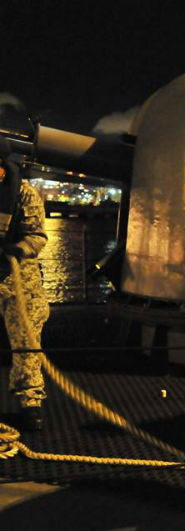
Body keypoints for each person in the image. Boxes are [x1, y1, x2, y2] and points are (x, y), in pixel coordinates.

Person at [0, 136, 49, 431]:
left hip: (18, 279)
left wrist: (17, 249)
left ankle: (30, 402)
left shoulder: (24, 194)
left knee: (26, 344)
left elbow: (37, 236)